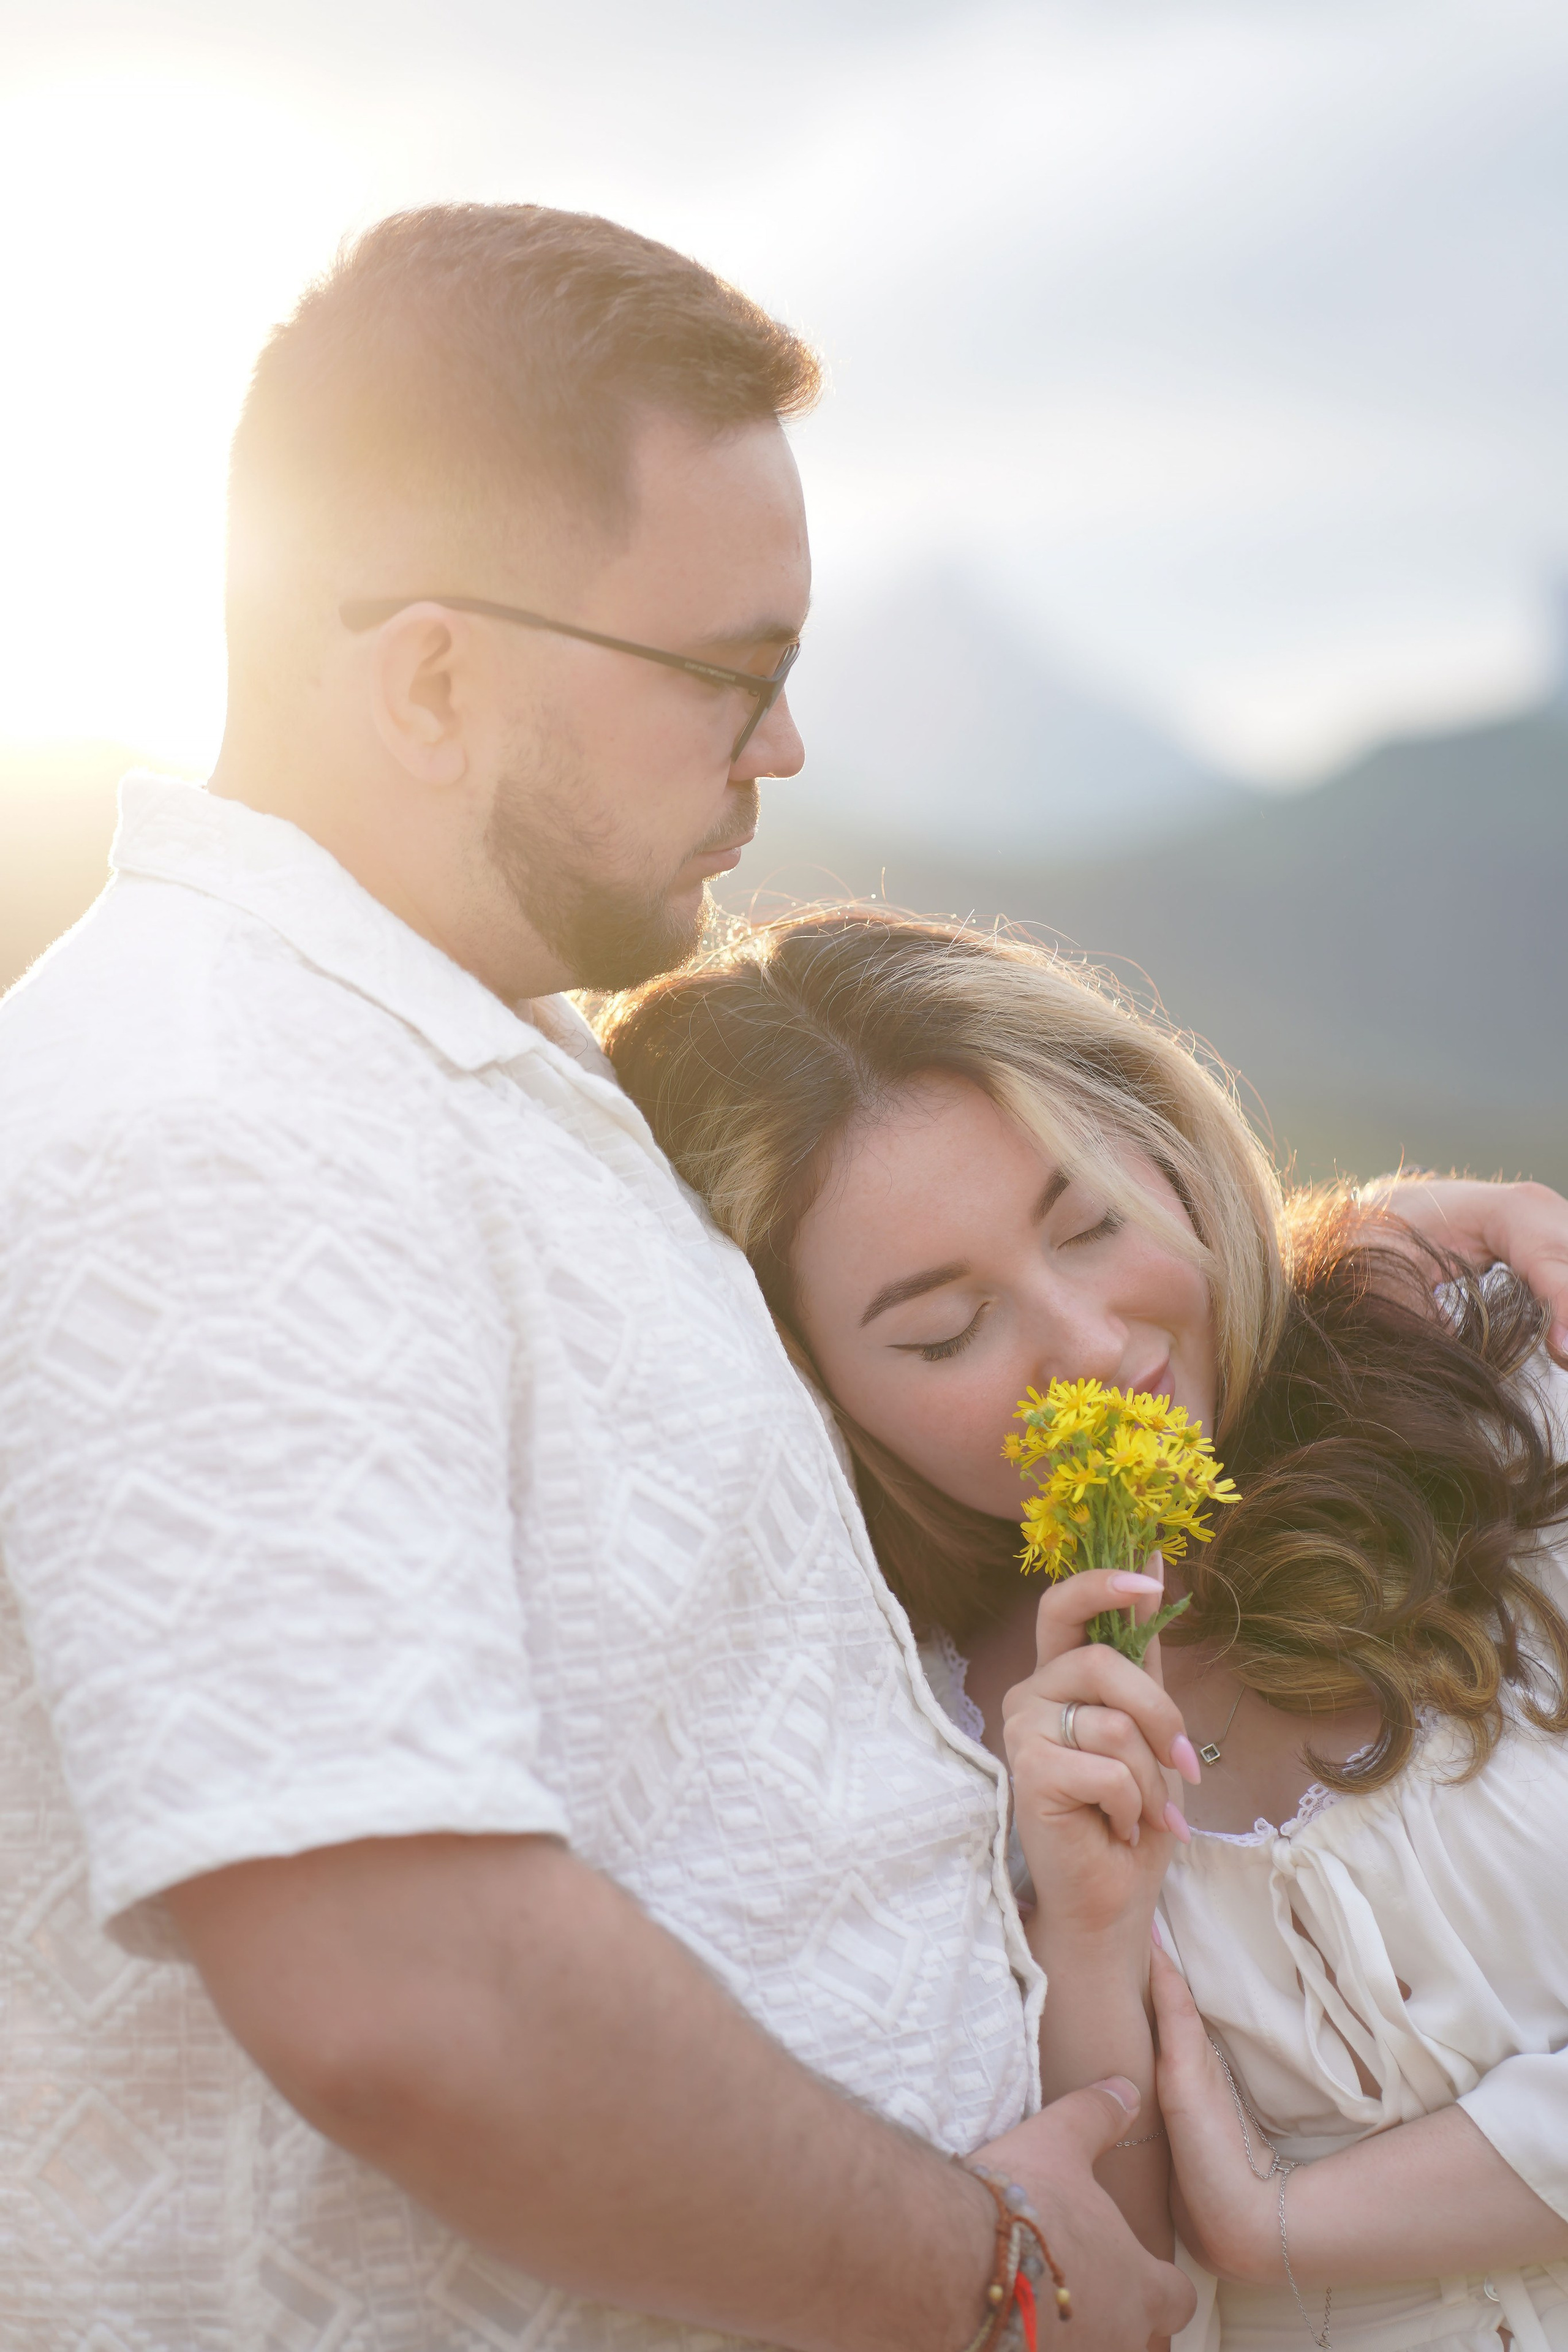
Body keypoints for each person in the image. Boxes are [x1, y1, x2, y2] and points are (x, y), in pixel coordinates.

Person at [0, 202, 1204, 2352]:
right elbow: (409, 1990)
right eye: (732, 676)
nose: (787, 751)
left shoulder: (461, 1057)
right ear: (434, 675)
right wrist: (991, 2281)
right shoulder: (221, 1117)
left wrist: (1384, 1252)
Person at [601, 906, 1568, 2352]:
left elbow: (1231, 2245)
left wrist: (1281, 2227)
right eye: (942, 1333)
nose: (1088, 1345)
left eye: (1091, 1225)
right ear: (807, 1391)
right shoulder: (904, 1754)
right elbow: (1109, 2289)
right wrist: (1091, 1935)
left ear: (1168, 1159)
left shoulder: (1496, 1412)